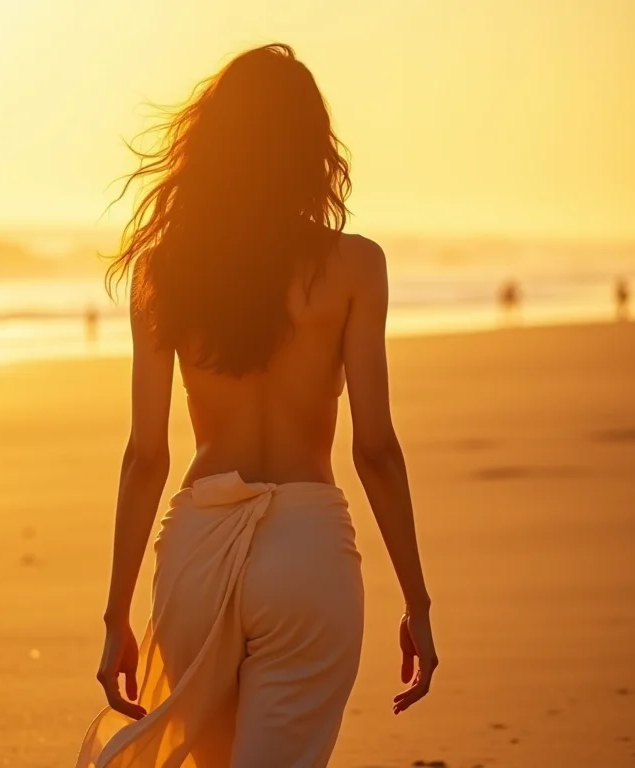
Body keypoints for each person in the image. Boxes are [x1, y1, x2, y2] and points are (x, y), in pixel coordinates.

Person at [76, 43, 437, 768]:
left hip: (198, 548)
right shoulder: (356, 267)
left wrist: (116, 615)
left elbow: (147, 454)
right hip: (309, 550)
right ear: (312, 150)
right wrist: (418, 605)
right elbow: (375, 449)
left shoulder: (166, 270)